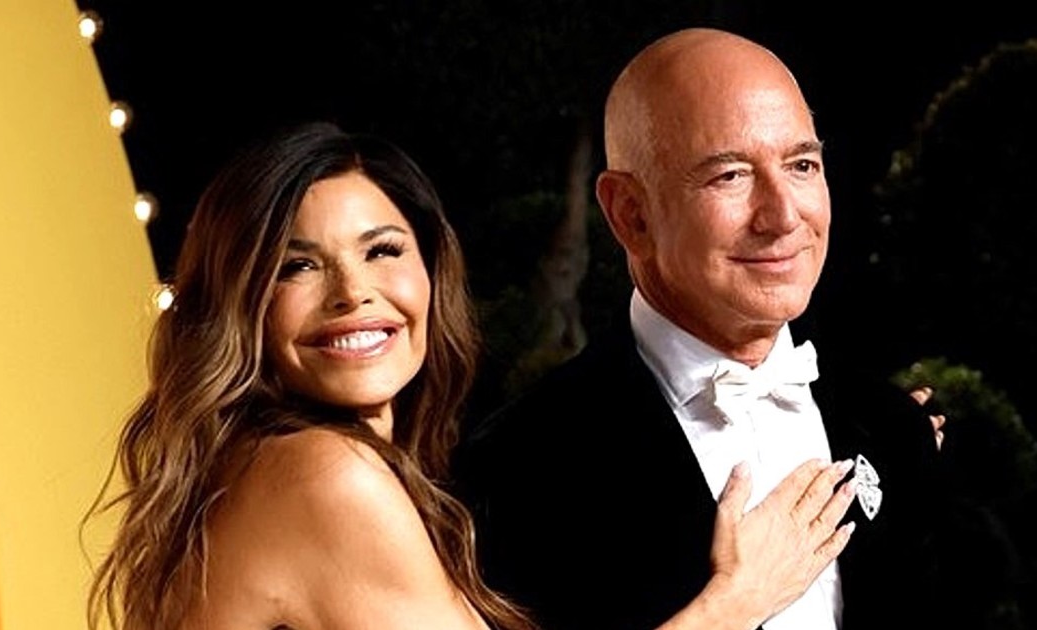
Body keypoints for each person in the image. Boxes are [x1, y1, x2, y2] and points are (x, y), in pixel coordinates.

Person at [84, 120, 861, 630]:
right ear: (241, 302)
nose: (354, 293)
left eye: (383, 251)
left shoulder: (280, 467)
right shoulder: (321, 475)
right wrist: (736, 601)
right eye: (297, 266)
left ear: (430, 271)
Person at [453, 28, 967, 630]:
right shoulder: (516, 466)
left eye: (802, 165)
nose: (783, 216)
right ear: (631, 214)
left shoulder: (891, 426)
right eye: (730, 176)